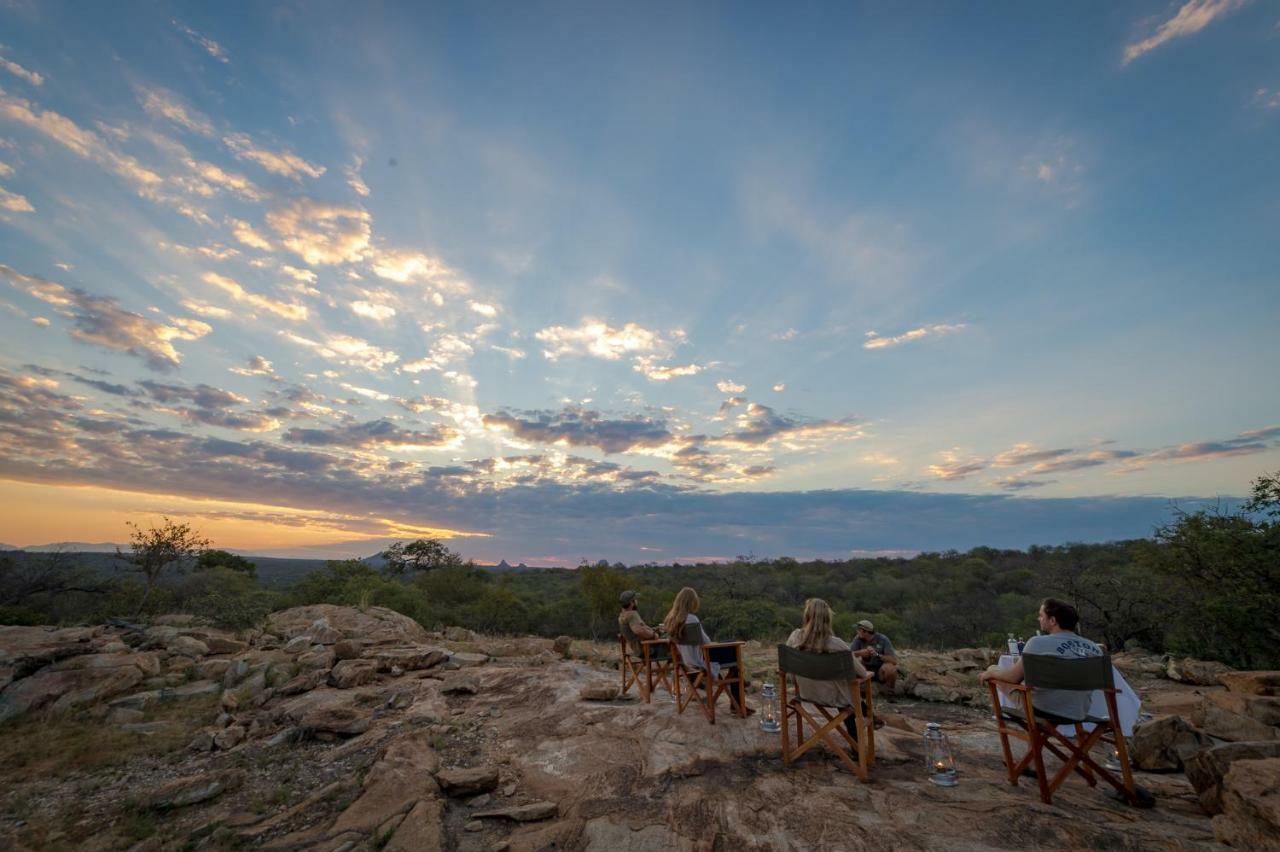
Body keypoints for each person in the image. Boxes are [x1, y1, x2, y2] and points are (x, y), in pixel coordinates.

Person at [979, 598, 1102, 720]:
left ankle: (1003, 717)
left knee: (994, 669)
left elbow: (1012, 678)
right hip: (1078, 712)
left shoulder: (1037, 643)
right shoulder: (1094, 648)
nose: (1039, 619)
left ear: (1053, 620)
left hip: (1041, 710)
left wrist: (990, 673)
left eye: (1041, 615)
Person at [786, 598, 869, 741]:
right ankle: (857, 746)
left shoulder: (795, 637)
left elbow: (786, 670)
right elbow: (862, 673)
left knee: (843, 690)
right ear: (827, 619)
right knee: (847, 692)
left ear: (806, 616)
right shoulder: (837, 645)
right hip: (834, 698)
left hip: (806, 693)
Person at [662, 586, 751, 713]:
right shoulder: (692, 619)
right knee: (734, 651)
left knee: (730, 644)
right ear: (691, 602)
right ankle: (737, 701)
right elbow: (707, 642)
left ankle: (740, 684)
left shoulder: (670, 620)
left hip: (688, 661)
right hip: (702, 660)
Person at [850, 619, 899, 695]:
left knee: (890, 668)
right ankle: (855, 690)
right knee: (851, 665)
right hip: (865, 669)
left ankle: (890, 692)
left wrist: (877, 655)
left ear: (865, 631)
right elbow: (848, 655)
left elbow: (893, 660)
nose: (857, 631)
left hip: (880, 670)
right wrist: (859, 653)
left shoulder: (883, 639)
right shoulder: (858, 639)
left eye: (858, 630)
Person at [617, 589, 665, 659]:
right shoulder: (632, 615)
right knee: (674, 646)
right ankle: (679, 668)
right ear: (632, 602)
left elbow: (639, 630)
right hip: (647, 650)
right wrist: (654, 635)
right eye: (635, 599)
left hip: (639, 649)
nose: (637, 601)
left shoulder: (622, 616)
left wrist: (655, 629)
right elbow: (639, 631)